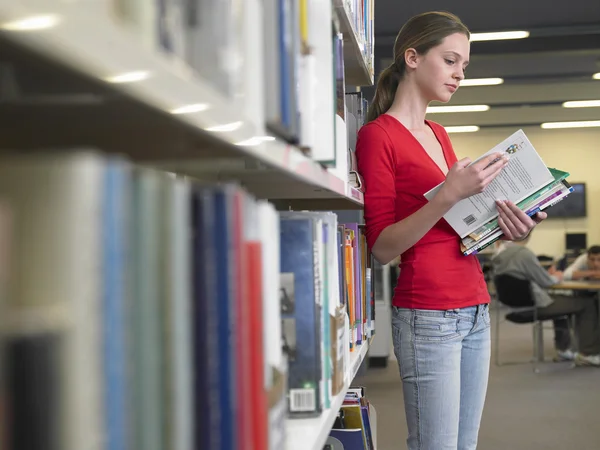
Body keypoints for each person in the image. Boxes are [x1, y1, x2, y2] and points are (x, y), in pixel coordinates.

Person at [355, 11, 545, 450]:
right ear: (413, 57)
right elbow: (382, 247)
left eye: (465, 66)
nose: (460, 74)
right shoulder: (377, 136)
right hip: (429, 314)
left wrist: (511, 229)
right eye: (451, 60)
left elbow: (454, 229)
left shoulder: (438, 133)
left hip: (475, 305)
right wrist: (447, 195)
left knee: (465, 445)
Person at [491, 238, 600, 366]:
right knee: (586, 304)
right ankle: (588, 354)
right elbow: (546, 281)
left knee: (562, 302)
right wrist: (557, 276)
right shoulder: (523, 254)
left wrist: (547, 275)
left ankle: (563, 349)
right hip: (533, 306)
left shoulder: (499, 256)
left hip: (513, 306)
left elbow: (537, 278)